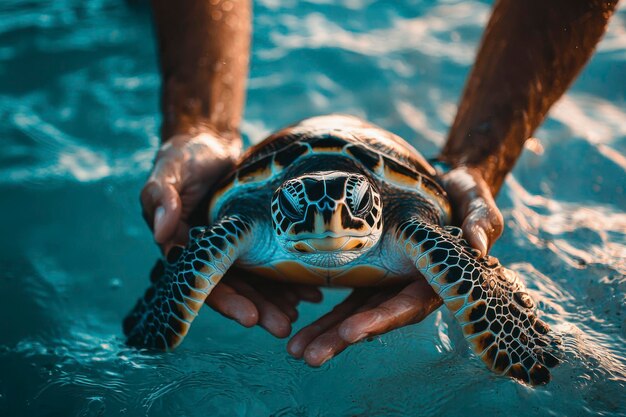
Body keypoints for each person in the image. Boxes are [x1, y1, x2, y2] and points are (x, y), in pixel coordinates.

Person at [140, 0, 618, 366]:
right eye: (301, 201)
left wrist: (474, 164)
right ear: (278, 199)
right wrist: (196, 129)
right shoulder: (247, 216)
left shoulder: (406, 221)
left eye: (351, 201)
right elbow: (198, 253)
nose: (327, 214)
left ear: (375, 201)